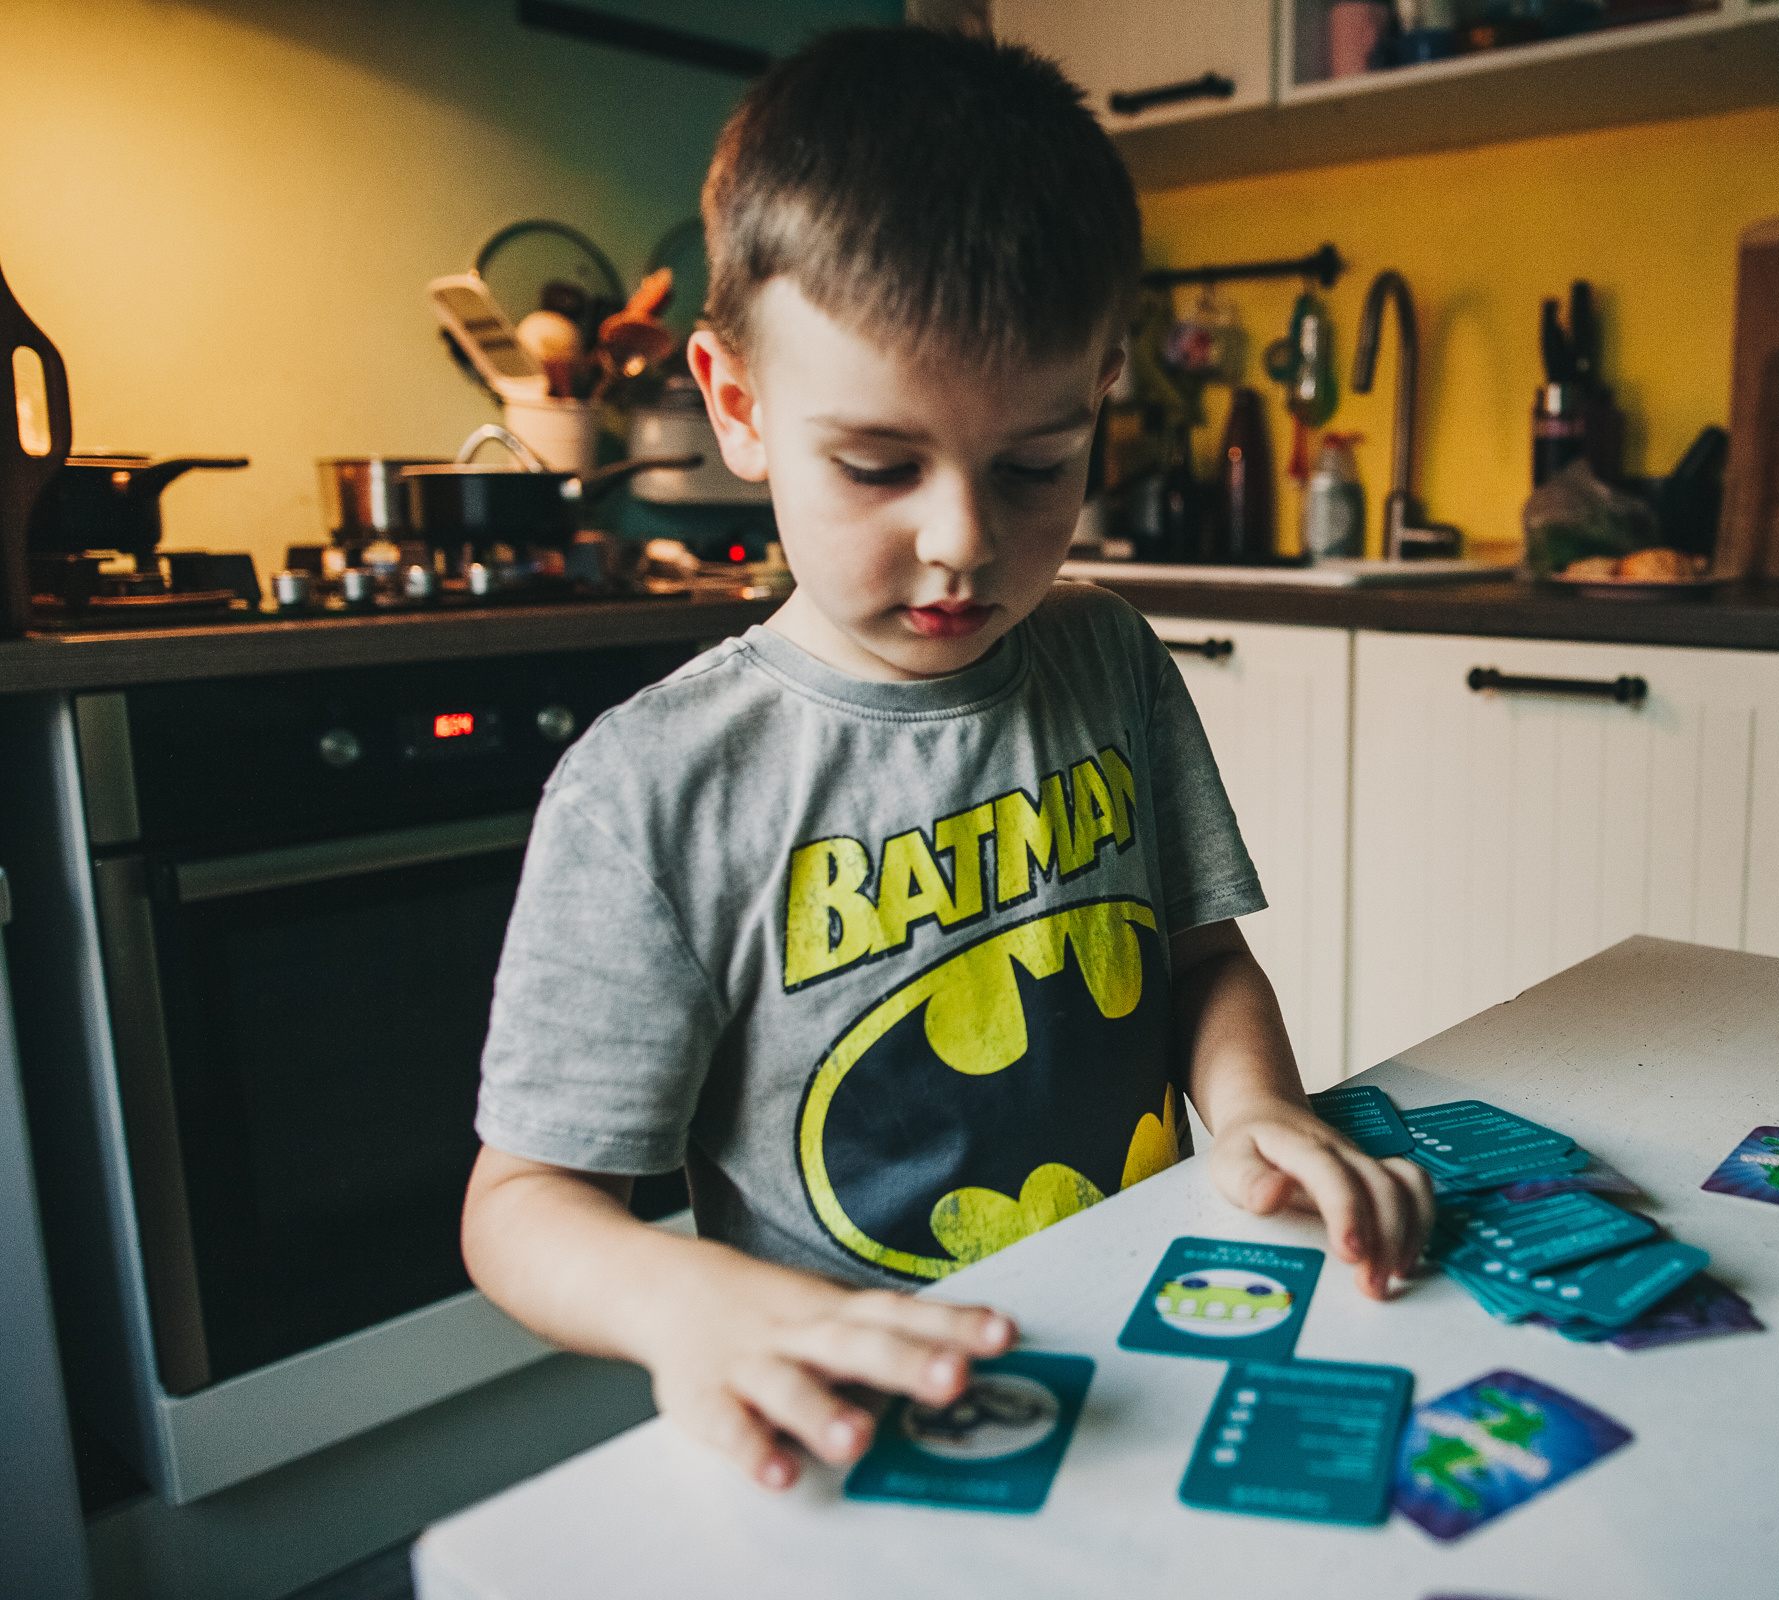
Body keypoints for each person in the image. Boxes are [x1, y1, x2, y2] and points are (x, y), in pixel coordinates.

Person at [459, 27, 1434, 1494]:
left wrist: (1257, 1112)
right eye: (878, 466)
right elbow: (524, 1201)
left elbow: (1200, 962)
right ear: (738, 406)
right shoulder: (649, 793)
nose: (964, 541)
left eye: (1037, 464)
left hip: (1150, 1346)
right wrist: (685, 1304)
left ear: (1101, 391)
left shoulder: (1107, 658)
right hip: (878, 1428)